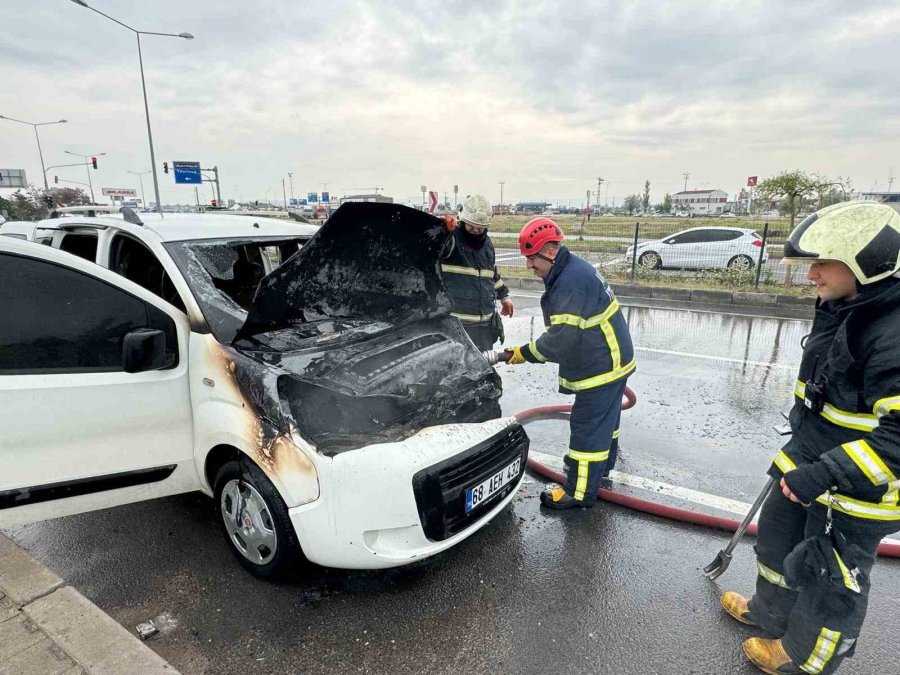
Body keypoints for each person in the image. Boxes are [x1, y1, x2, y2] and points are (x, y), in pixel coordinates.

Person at [720, 201, 900, 674]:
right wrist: (804, 462)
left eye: (823, 262)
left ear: (869, 260)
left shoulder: (893, 334)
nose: (811, 275)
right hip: (812, 459)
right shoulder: (847, 307)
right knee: (778, 536)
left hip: (861, 488)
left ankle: (805, 658)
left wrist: (822, 474)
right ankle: (771, 615)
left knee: (831, 576)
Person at [504, 217, 635, 510]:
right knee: (606, 421)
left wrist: (522, 353)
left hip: (600, 367)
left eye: (532, 259)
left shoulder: (569, 285)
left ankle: (578, 491)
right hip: (611, 359)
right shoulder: (572, 270)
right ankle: (602, 467)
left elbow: (560, 341)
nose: (529, 266)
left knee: (588, 428)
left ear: (550, 252)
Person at [441, 194, 513, 351]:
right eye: (471, 227)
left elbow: (491, 275)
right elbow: (435, 246)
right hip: (458, 327)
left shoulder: (487, 245)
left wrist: (504, 297)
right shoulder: (451, 240)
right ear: (462, 221)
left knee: (484, 369)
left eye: (479, 229)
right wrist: (442, 231)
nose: (475, 231)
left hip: (485, 327)